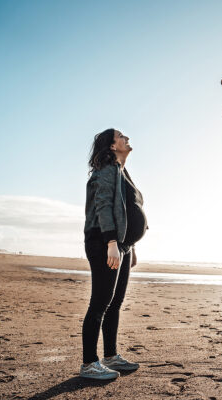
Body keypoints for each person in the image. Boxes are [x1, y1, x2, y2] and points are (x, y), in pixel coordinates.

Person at [80, 128, 148, 380]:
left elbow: (128, 211)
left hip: (122, 245)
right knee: (99, 303)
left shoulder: (122, 171)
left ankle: (110, 356)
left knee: (115, 303)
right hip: (104, 241)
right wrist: (111, 241)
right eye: (120, 136)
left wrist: (131, 246)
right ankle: (89, 364)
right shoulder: (107, 171)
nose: (127, 137)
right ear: (111, 146)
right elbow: (104, 206)